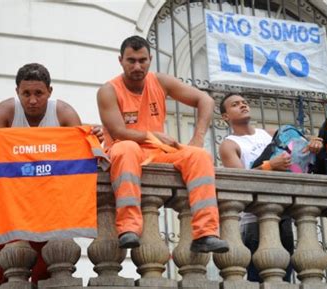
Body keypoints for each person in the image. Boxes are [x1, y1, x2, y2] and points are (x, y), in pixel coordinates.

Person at [97, 35, 229, 253]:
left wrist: (197, 138)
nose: (137, 66)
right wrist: (152, 136)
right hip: (125, 150)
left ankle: (206, 233)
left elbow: (205, 100)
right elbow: (118, 132)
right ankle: (128, 228)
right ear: (120, 60)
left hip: (158, 151)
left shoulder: (160, 81)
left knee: (199, 156)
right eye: (131, 61)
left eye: (142, 60)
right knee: (125, 148)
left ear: (150, 58)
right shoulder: (108, 90)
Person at [0, 62, 103, 284]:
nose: (33, 100)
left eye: (39, 93)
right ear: (17, 92)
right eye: (26, 93)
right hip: (14, 203)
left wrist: (91, 140)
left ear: (50, 92)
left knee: (47, 270)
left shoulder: (64, 113)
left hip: (51, 205)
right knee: (9, 269)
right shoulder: (5, 112)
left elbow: (79, 161)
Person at [218, 93, 323, 282]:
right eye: (235, 104)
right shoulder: (229, 144)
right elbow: (239, 181)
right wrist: (269, 166)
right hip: (253, 221)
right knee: (259, 280)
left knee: (284, 280)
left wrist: (316, 142)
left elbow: (305, 144)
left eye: (245, 102)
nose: (243, 105)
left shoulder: (269, 134)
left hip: (283, 215)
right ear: (225, 116)